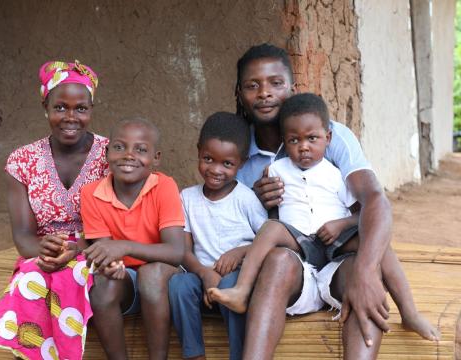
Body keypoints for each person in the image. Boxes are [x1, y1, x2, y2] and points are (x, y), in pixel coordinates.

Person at [209, 93, 440, 343]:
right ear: (285, 143)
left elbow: (361, 213)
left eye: (312, 138)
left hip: (335, 239)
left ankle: (409, 312)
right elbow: (274, 215)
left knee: (380, 246)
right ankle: (242, 290)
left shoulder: (336, 174)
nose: (304, 146)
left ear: (327, 138)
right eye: (294, 140)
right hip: (299, 243)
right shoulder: (276, 170)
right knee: (270, 228)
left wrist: (341, 224)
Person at [230, 43, 394, 359]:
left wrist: (365, 269)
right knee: (278, 260)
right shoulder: (235, 151)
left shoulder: (331, 135)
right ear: (239, 93)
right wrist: (257, 201)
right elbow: (232, 223)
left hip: (337, 260)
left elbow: (375, 201)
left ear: (293, 88)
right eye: (253, 85)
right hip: (289, 269)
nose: (265, 93)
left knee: (366, 273)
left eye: (276, 83)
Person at [0, 60, 107, 360]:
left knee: (75, 276)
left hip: (95, 248)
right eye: (60, 107)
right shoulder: (22, 161)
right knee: (31, 280)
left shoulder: (110, 155)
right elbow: (24, 237)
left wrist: (78, 249)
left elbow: (120, 222)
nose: (71, 117)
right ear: (45, 106)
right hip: (41, 252)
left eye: (81, 108)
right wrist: (44, 250)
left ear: (92, 108)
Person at [80, 117, 185, 360]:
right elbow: (105, 251)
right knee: (101, 286)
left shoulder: (164, 186)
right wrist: (112, 264)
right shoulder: (91, 194)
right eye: (119, 147)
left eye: (141, 149)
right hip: (126, 278)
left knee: (150, 274)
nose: (129, 155)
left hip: (163, 276)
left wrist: (124, 246)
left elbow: (175, 252)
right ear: (106, 153)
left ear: (156, 158)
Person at [168, 112, 267, 360]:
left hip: (236, 281)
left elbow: (267, 241)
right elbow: (184, 251)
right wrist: (204, 274)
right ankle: (194, 354)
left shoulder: (246, 199)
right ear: (199, 151)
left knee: (229, 284)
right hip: (201, 278)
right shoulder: (187, 198)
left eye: (227, 164)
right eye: (208, 159)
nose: (215, 170)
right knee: (178, 284)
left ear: (241, 163)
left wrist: (240, 252)